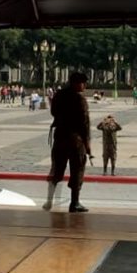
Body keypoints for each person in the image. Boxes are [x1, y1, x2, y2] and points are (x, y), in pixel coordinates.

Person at [44, 71, 91, 212]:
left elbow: (53, 112)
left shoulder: (59, 95)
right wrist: (87, 143)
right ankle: (74, 202)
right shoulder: (79, 99)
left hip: (60, 136)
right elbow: (84, 123)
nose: (84, 86)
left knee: (57, 169)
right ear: (77, 83)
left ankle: (49, 201)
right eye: (83, 83)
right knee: (77, 170)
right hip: (75, 140)